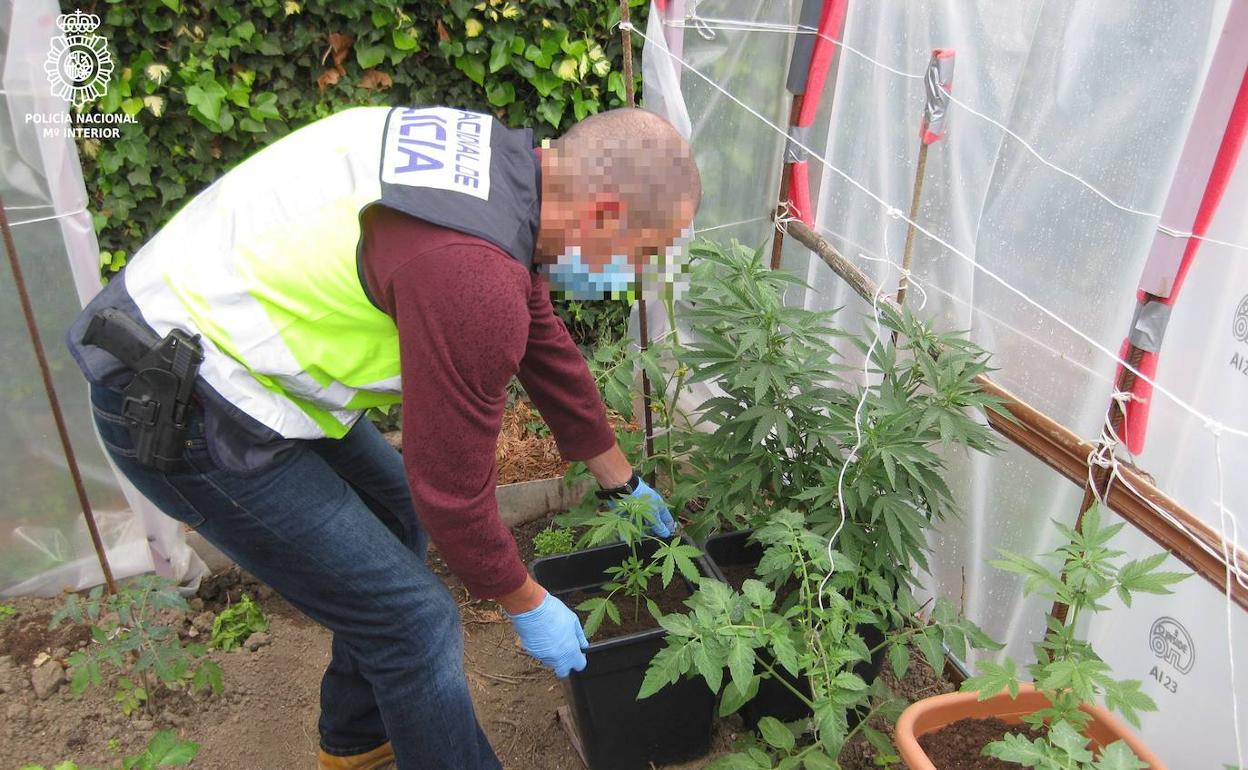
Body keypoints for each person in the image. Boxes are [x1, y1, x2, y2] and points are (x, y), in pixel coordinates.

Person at [65, 105, 700, 770]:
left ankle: (358, 740)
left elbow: (538, 328)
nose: (634, 275)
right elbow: (453, 497)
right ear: (603, 212)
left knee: (396, 514)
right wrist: (527, 600)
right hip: (179, 402)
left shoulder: (507, 173)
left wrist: (620, 480)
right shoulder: (472, 279)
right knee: (415, 623)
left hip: (226, 353)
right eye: (641, 253)